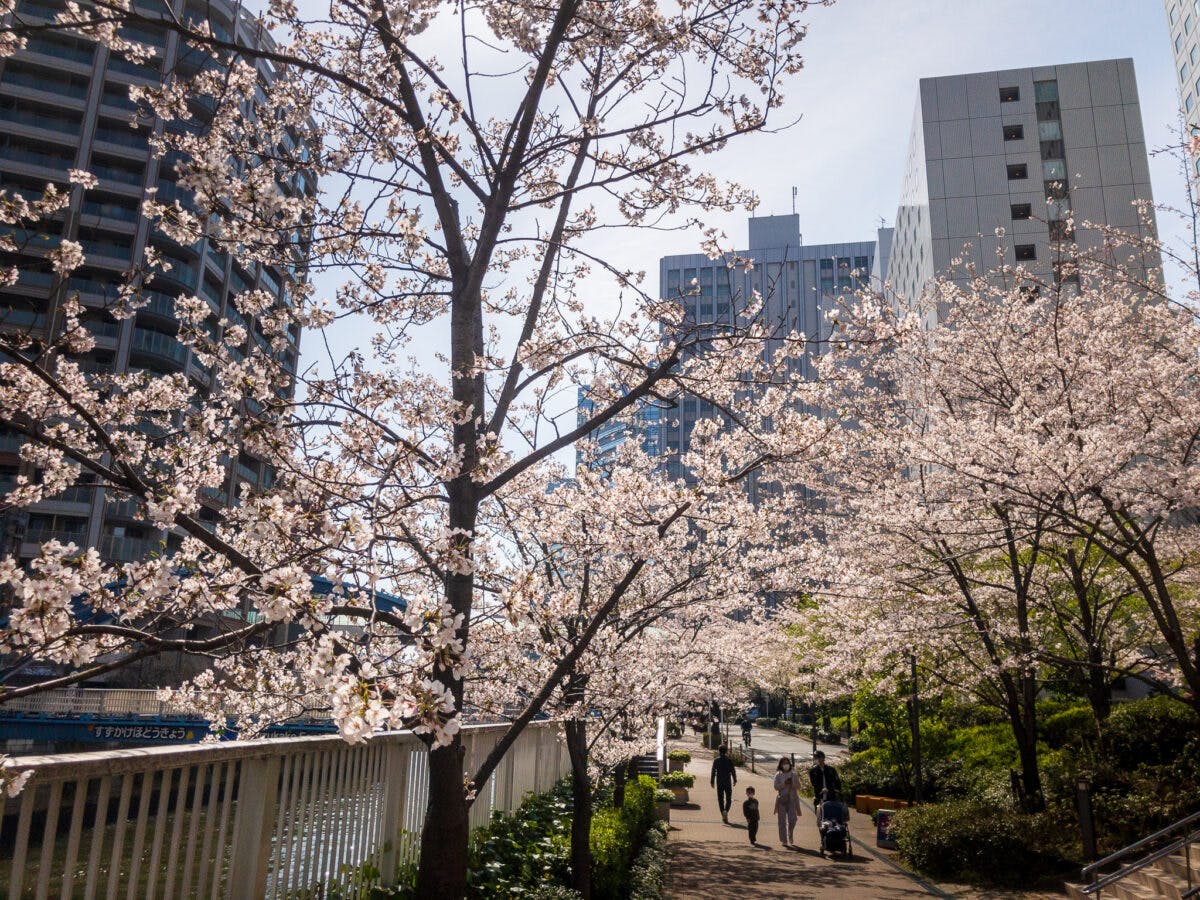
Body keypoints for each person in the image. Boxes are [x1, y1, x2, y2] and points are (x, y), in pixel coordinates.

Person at [773, 756, 802, 846]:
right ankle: (784, 840)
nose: (786, 765)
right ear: (781, 765)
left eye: (787, 763)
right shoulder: (778, 775)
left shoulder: (794, 774)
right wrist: (784, 784)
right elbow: (776, 787)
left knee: (793, 820)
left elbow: (798, 786)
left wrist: (792, 784)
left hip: (792, 800)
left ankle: (790, 833)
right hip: (781, 799)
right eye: (784, 763)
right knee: (781, 821)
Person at [710, 744, 737, 823]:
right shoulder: (729, 760)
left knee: (720, 799)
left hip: (719, 781)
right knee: (728, 798)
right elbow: (733, 771)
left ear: (719, 751)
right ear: (726, 751)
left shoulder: (716, 760)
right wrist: (735, 780)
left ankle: (723, 813)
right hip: (727, 781)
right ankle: (726, 811)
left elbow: (713, 771)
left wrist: (712, 781)